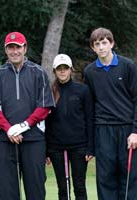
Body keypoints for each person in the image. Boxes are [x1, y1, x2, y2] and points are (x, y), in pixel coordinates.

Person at [0, 31, 55, 200]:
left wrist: (24, 125)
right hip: (5, 140)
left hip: (34, 139)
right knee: (8, 191)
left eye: (18, 47)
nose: (14, 51)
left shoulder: (38, 72)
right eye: (11, 48)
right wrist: (9, 129)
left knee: (35, 189)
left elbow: (45, 106)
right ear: (6, 50)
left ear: (25, 48)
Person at [83, 27, 137, 200]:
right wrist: (91, 142)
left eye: (104, 43)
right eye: (97, 44)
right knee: (105, 178)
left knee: (130, 178)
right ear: (93, 48)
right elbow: (91, 106)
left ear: (111, 44)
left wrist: (136, 130)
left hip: (127, 131)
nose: (101, 47)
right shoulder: (89, 72)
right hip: (103, 131)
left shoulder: (127, 66)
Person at [46, 54, 95, 200]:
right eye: (59, 69)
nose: (62, 71)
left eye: (65, 68)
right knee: (62, 187)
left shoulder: (83, 90)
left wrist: (91, 147)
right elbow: (46, 123)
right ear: (54, 71)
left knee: (79, 186)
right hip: (56, 147)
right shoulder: (49, 92)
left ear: (71, 70)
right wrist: (46, 151)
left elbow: (90, 119)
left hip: (79, 146)